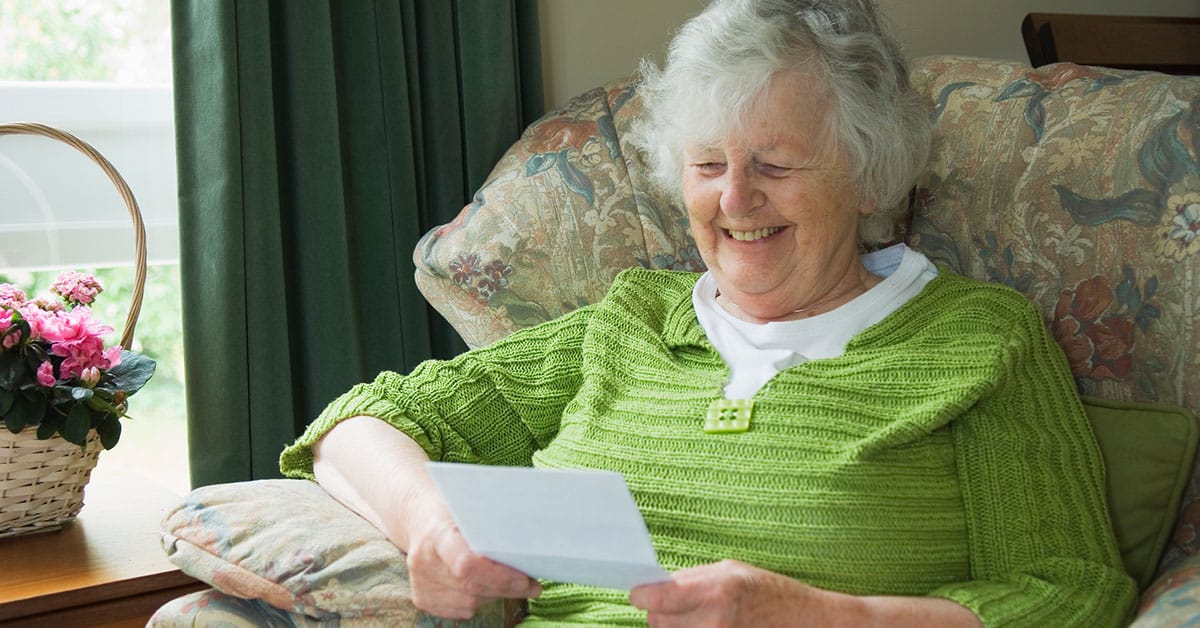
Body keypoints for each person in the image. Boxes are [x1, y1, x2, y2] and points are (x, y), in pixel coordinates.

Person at [280, 0, 1137, 625]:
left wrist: (825, 617)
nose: (735, 198)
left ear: (872, 172)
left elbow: (1071, 594)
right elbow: (360, 425)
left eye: (775, 162)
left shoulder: (980, 342)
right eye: (707, 163)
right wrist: (430, 528)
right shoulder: (632, 322)